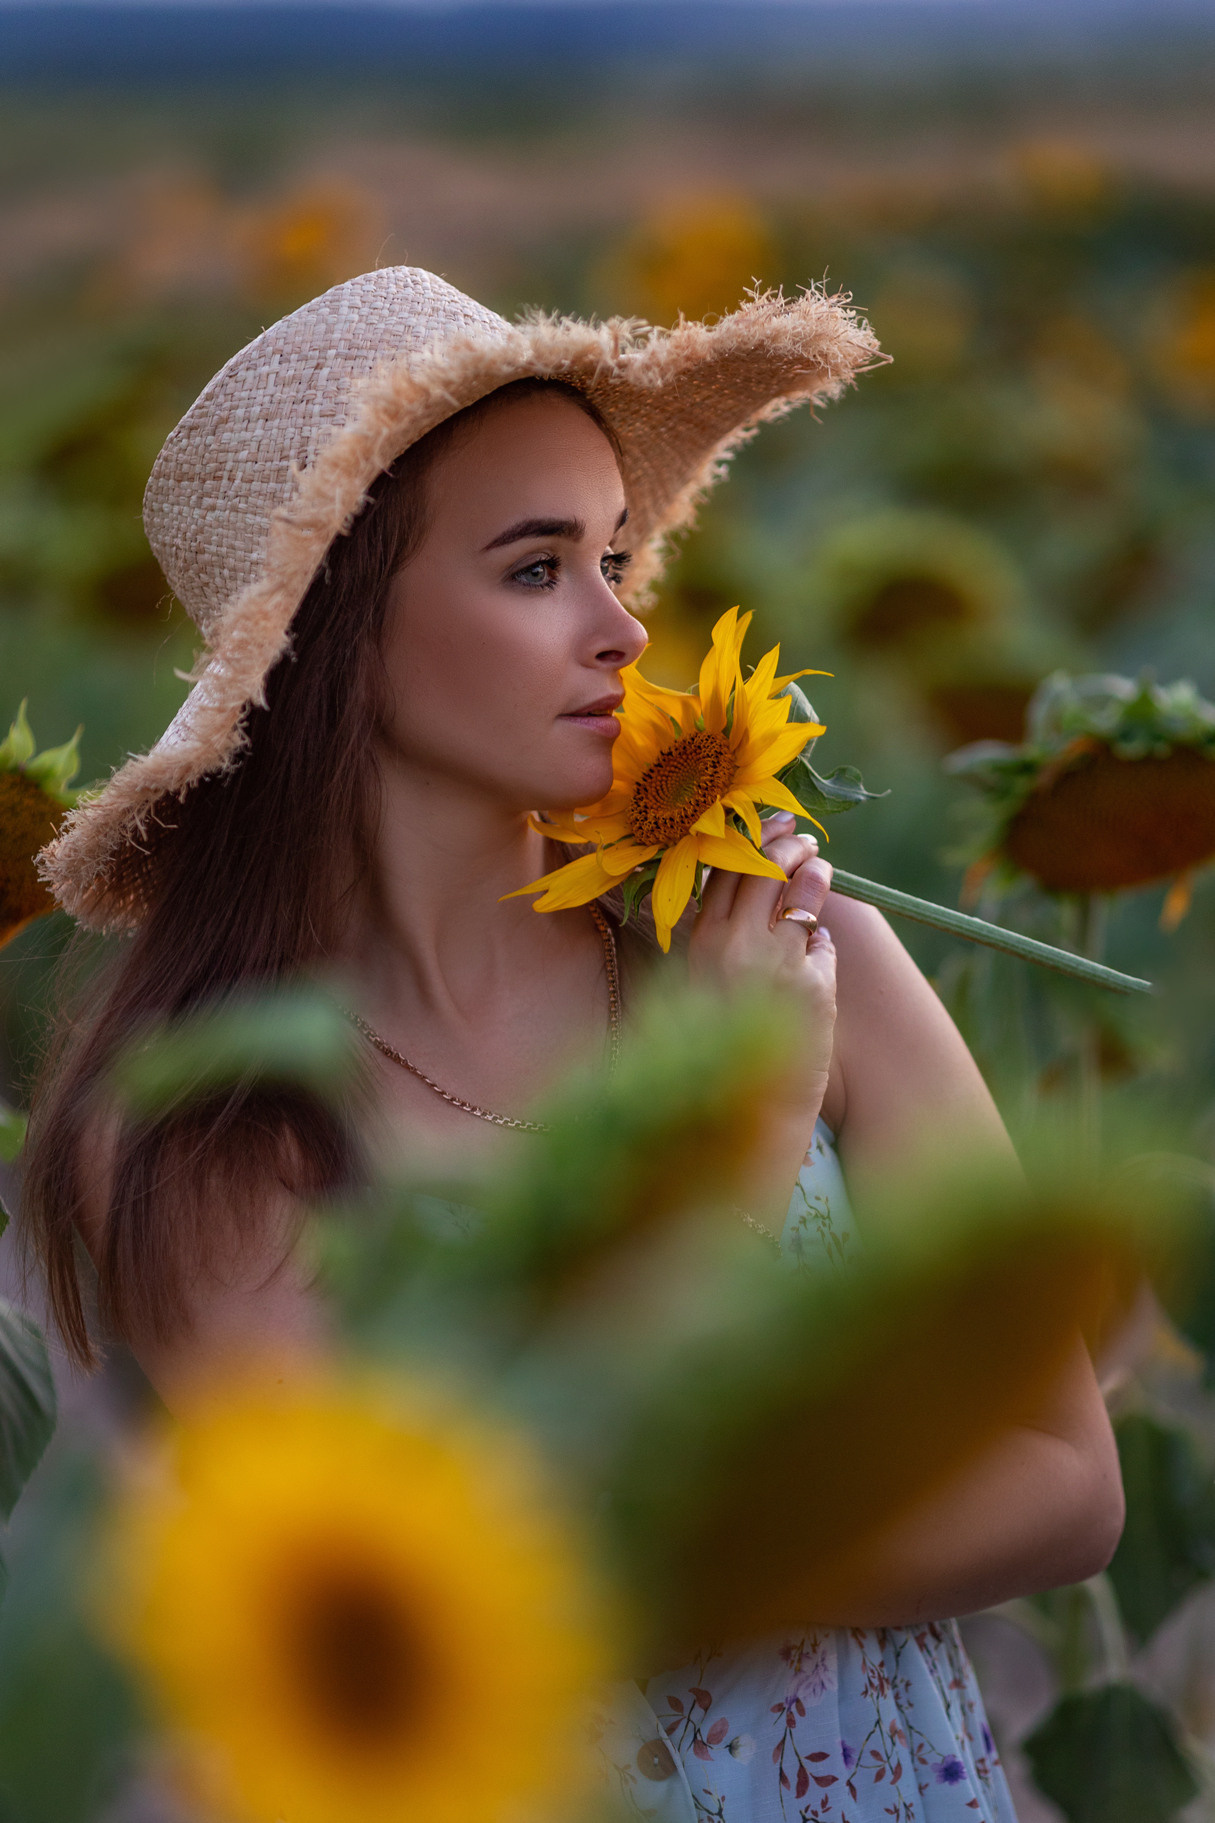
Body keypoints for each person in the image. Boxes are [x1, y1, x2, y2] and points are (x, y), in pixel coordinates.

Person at [25, 267, 1122, 1822]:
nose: (625, 625)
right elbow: (429, 1640)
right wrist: (739, 1157)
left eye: (616, 556)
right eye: (538, 569)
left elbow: (1074, 1491)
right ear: (334, 622)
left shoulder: (816, 965)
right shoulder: (215, 1132)